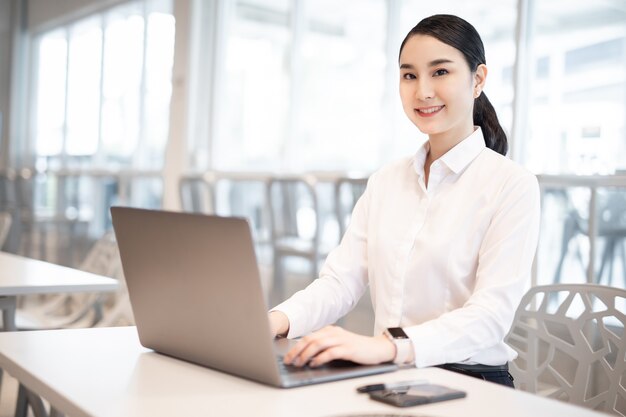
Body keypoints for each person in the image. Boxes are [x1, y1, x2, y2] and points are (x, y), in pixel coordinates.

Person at [268, 14, 540, 387]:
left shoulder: (512, 185)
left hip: (469, 383)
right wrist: (275, 321)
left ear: (478, 80)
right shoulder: (386, 181)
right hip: (390, 377)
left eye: (440, 72)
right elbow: (340, 283)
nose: (422, 91)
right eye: (409, 75)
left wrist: (388, 346)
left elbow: (489, 316)